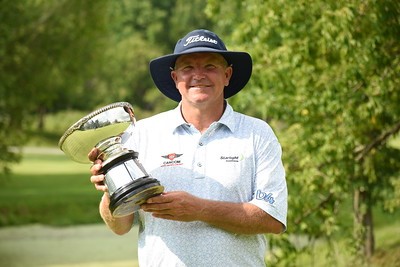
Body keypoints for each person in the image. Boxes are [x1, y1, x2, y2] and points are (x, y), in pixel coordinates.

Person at [90, 29, 287, 266]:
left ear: (227, 75)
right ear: (175, 79)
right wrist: (110, 188)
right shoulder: (141, 134)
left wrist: (200, 209)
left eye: (210, 66)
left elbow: (271, 219)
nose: (198, 75)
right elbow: (120, 226)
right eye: (188, 68)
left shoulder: (257, 133)